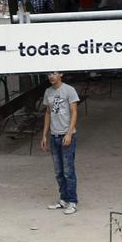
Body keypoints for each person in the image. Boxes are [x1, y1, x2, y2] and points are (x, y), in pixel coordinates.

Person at [40, 72, 80, 215]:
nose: (51, 76)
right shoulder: (48, 92)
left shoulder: (69, 90)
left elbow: (74, 112)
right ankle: (63, 199)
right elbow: (48, 113)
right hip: (54, 135)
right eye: (49, 74)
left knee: (69, 171)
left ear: (61, 74)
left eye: (54, 73)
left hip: (67, 135)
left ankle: (72, 201)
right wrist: (44, 135)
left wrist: (69, 133)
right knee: (58, 171)